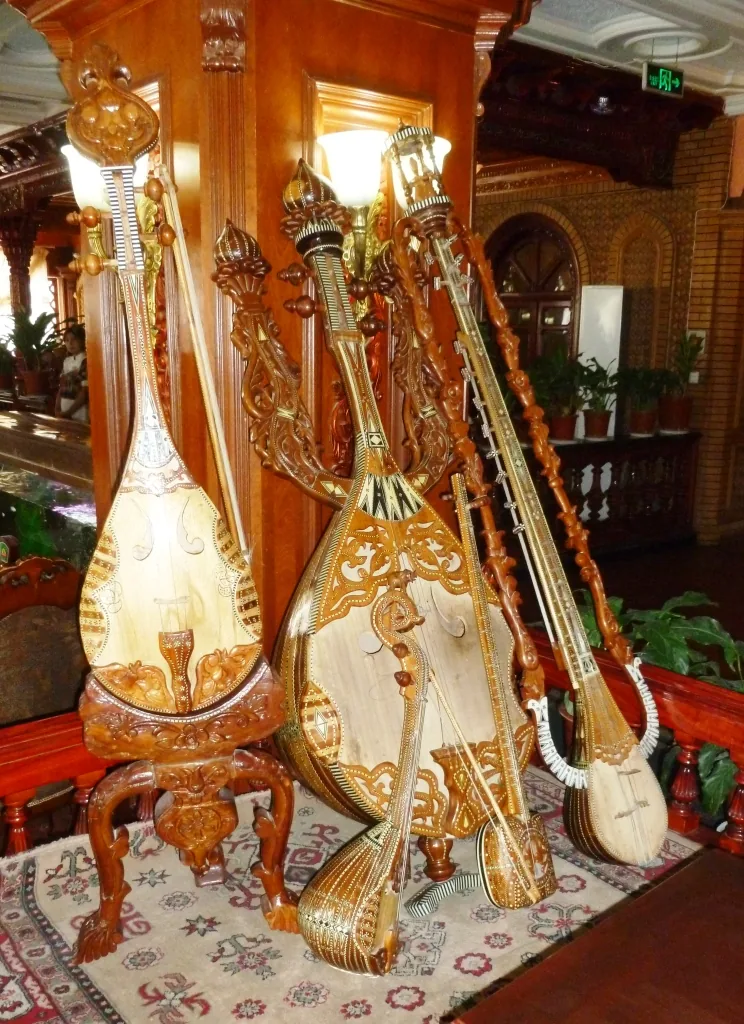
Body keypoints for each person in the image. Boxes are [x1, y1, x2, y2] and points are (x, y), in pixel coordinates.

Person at [55, 324, 89, 422]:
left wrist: (68, 412)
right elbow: (61, 387)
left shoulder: (85, 360)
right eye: (67, 340)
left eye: (74, 339)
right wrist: (57, 408)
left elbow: (85, 392)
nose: (70, 343)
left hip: (80, 411)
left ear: (82, 340)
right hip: (64, 409)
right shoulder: (66, 361)